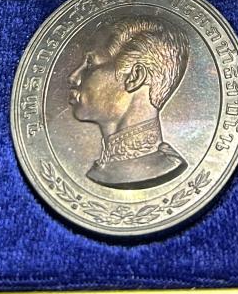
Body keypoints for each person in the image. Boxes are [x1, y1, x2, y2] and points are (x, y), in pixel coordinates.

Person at [67, 16, 189, 189]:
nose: (73, 77)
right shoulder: (103, 168)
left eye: (90, 64)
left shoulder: (162, 167)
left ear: (135, 77)